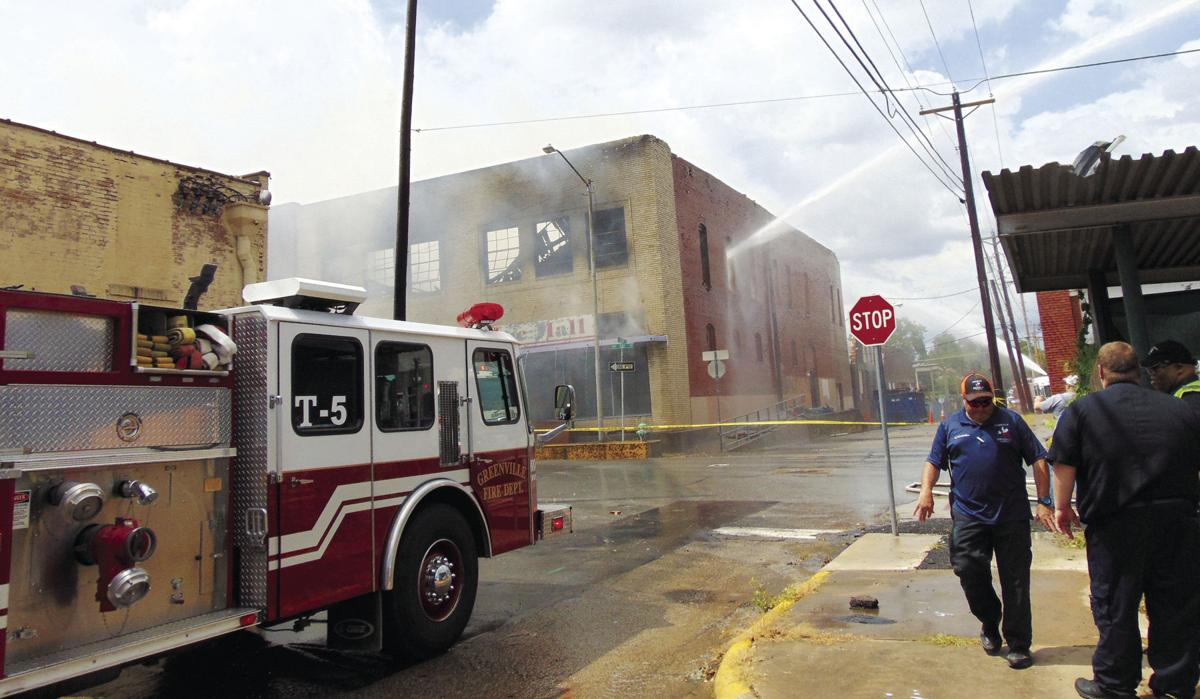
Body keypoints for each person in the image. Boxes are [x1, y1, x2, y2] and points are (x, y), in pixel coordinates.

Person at [1048, 341, 1200, 699]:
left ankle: (1115, 684)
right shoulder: (1178, 408)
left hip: (1116, 525)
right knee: (1175, 602)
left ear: (1101, 373)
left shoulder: (1082, 411)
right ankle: (1176, 682)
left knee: (1116, 604)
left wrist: (1061, 508)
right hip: (1176, 519)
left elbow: (1064, 465)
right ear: (1136, 371)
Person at [914, 373, 1052, 670]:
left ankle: (1018, 644)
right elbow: (934, 461)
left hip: (1011, 515)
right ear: (963, 401)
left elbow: (1038, 459)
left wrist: (1045, 501)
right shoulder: (950, 425)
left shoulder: (1011, 422)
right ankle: (990, 619)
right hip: (968, 515)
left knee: (1015, 580)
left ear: (994, 398)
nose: (981, 408)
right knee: (967, 569)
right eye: (974, 403)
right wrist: (926, 491)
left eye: (986, 402)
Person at [1140, 339, 1200, 412]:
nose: (1151, 377)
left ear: (1179, 367)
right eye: (1149, 371)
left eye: (1155, 369)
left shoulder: (1191, 399)